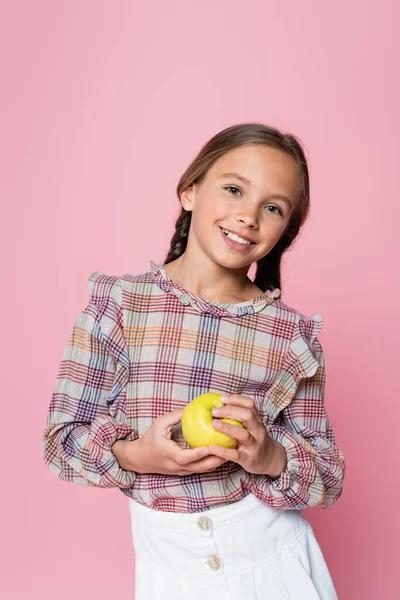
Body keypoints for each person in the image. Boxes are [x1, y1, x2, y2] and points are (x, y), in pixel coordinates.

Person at [41, 122, 346, 599]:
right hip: (170, 570)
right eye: (233, 189)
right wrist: (136, 454)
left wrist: (269, 455)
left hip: (276, 565)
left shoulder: (291, 335)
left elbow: (328, 476)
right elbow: (61, 441)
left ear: (285, 230)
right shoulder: (119, 307)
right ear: (189, 191)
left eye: (272, 207)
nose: (248, 216)